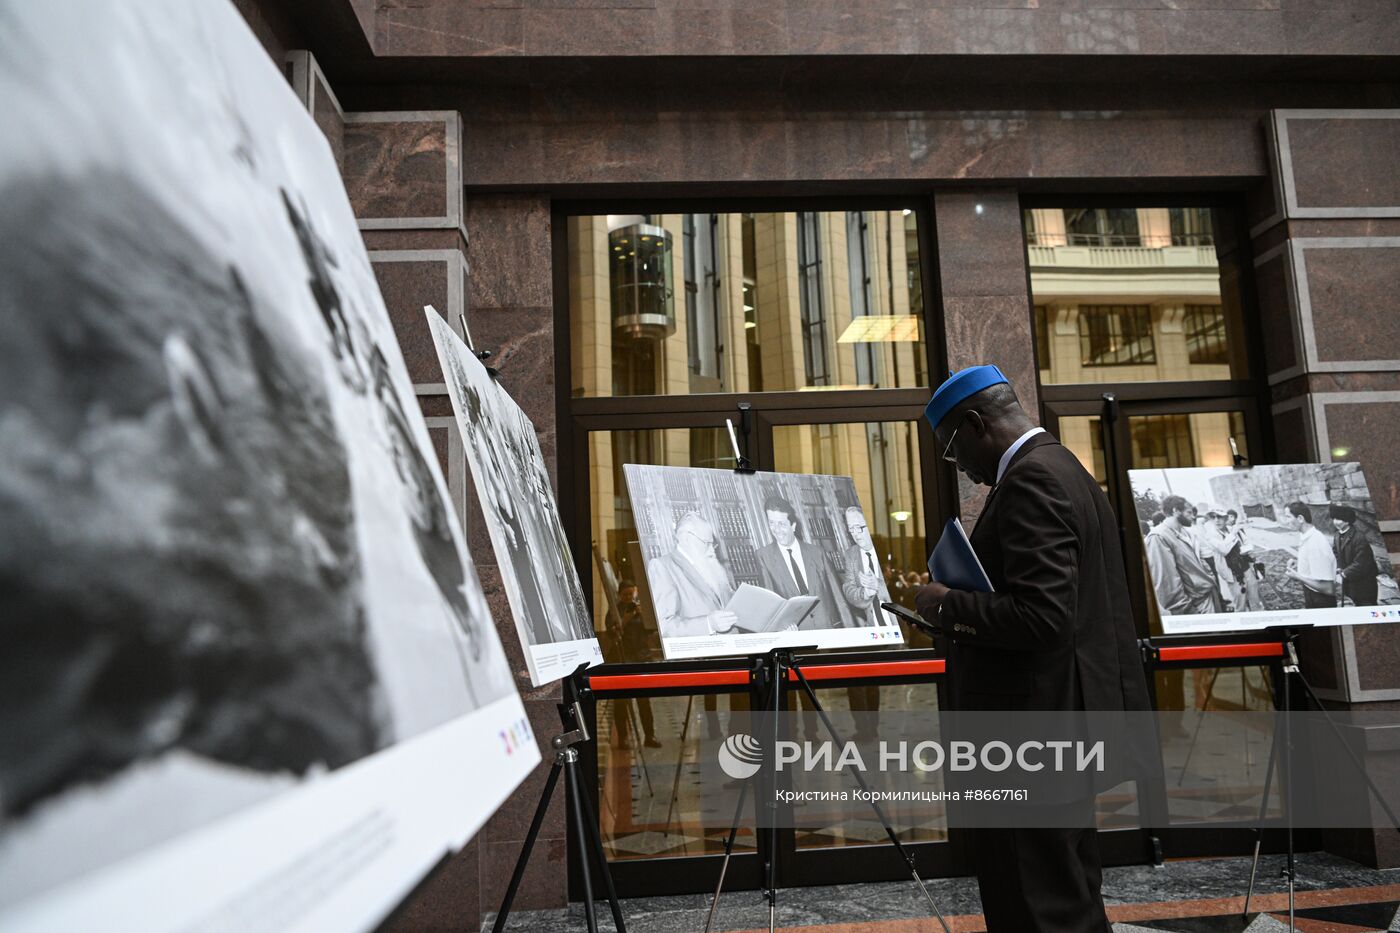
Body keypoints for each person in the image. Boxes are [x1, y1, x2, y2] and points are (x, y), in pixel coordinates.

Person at [914, 364, 1152, 933]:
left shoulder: (1030, 480)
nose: (963, 469)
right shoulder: (1064, 466)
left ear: (975, 423)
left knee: (1034, 899)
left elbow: (1043, 618)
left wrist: (944, 603)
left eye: (953, 450)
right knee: (1065, 888)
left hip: (1035, 734)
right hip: (1063, 726)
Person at [755, 494, 840, 629]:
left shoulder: (818, 553)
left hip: (826, 628)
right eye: (772, 523)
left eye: (781, 524)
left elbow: (838, 597)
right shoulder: (763, 556)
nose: (776, 530)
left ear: (793, 525)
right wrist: (781, 628)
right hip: (795, 632)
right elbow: (770, 605)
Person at [647, 512, 739, 637]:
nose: (712, 550)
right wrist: (708, 624)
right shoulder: (663, 567)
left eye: (713, 544)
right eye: (707, 543)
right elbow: (664, 626)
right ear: (686, 539)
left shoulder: (712, 566)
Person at [1144, 497, 1225, 615]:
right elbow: (1166, 584)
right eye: (1189, 512)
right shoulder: (1158, 537)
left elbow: (1200, 563)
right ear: (1175, 510)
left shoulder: (1186, 532)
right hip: (1196, 605)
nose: (1193, 516)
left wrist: (1211, 580)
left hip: (1209, 595)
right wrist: (1187, 611)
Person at [607, 581, 661, 748]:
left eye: (632, 594)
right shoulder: (615, 611)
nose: (629, 598)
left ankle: (649, 736)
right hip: (622, 660)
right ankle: (623, 738)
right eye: (626, 594)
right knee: (621, 701)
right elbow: (612, 633)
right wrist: (626, 618)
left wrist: (645, 616)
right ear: (620, 594)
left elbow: (651, 631)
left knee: (643, 700)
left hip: (641, 658)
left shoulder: (640, 608)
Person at [841, 507, 892, 628]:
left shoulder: (885, 549)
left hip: (896, 623)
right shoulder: (851, 554)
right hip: (873, 626)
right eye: (851, 529)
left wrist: (877, 586)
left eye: (859, 527)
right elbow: (848, 589)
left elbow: (900, 590)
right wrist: (865, 593)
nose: (855, 534)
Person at [1286, 502, 1337, 609]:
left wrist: (1298, 576)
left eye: (1288, 517)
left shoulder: (1316, 542)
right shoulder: (1305, 535)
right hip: (1311, 593)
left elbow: (1328, 589)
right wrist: (1300, 562)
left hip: (1321, 600)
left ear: (1300, 518)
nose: (1286, 522)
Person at [1331, 504, 1378, 607]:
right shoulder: (1337, 535)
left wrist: (1343, 574)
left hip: (1365, 582)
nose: (1335, 522)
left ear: (1347, 521)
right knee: (1354, 601)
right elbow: (1335, 553)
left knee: (1366, 605)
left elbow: (1361, 562)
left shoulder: (1359, 538)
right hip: (1350, 580)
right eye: (1334, 518)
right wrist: (1338, 567)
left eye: (1339, 519)